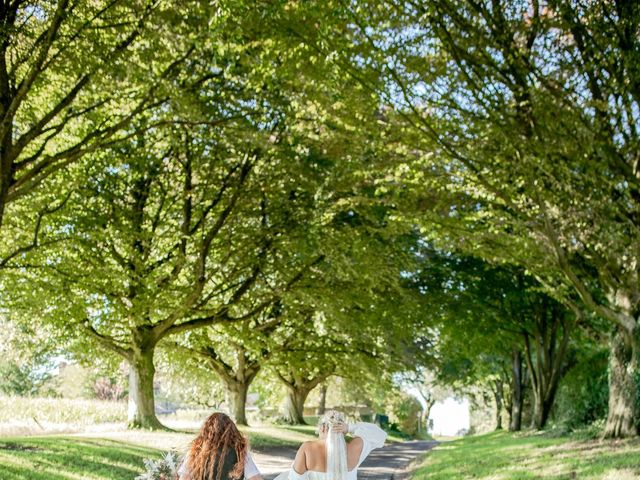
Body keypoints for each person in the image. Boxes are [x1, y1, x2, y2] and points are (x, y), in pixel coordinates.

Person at [277, 410, 387, 480]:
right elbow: (380, 435)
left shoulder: (308, 448)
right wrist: (349, 427)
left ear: (323, 428)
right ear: (341, 427)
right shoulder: (355, 447)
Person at [178, 412, 263, 480]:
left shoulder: (196, 450)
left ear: (206, 431)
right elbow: (255, 478)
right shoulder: (240, 451)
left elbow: (185, 478)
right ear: (231, 431)